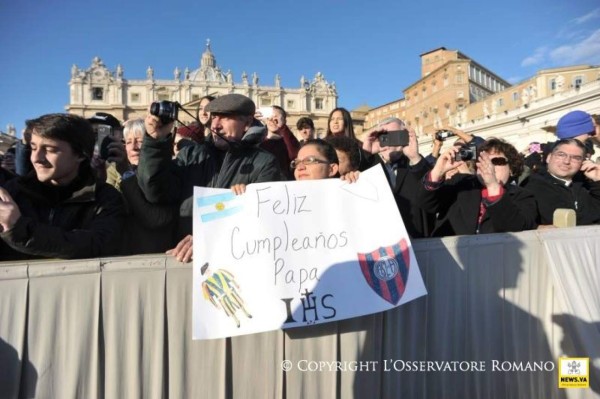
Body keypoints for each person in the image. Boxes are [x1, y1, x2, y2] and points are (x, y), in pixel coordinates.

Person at [137, 93, 281, 262]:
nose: (216, 125)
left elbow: (264, 221)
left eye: (225, 118)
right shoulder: (190, 155)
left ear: (247, 123)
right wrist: (155, 142)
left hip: (236, 263)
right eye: (213, 118)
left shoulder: (264, 163)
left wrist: (208, 238)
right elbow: (156, 191)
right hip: (183, 259)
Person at [0, 113, 124, 260]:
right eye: (33, 148)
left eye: (50, 150)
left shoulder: (105, 199)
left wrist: (20, 230)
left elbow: (97, 245)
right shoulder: (11, 194)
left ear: (80, 154)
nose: (36, 158)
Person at [418, 138, 537, 237]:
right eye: (483, 161)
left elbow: (518, 228)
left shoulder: (523, 195)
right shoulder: (461, 183)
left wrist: (493, 187)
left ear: (511, 169)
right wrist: (437, 172)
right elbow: (426, 204)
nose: (489, 165)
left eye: (497, 161)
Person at [363, 117, 434, 238]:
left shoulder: (415, 162)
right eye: (384, 136)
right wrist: (366, 153)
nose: (388, 140)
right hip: (379, 238)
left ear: (405, 136)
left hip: (415, 239)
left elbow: (433, 193)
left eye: (394, 135)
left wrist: (414, 157)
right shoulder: (368, 163)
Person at [522, 139, 600, 226]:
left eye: (575, 158)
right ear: (548, 158)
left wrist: (597, 181)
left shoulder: (586, 185)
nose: (566, 161)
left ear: (583, 163)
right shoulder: (529, 187)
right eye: (561, 155)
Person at [326, 107, 377, 172]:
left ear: (347, 122)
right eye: (332, 119)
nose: (335, 122)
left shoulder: (359, 146)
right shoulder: (321, 144)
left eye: (340, 119)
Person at [259, 105, 300, 180]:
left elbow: (295, 154)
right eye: (269, 117)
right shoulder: (259, 141)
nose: (273, 120)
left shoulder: (288, 141)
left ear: (284, 121)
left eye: (276, 117)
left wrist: (282, 127)